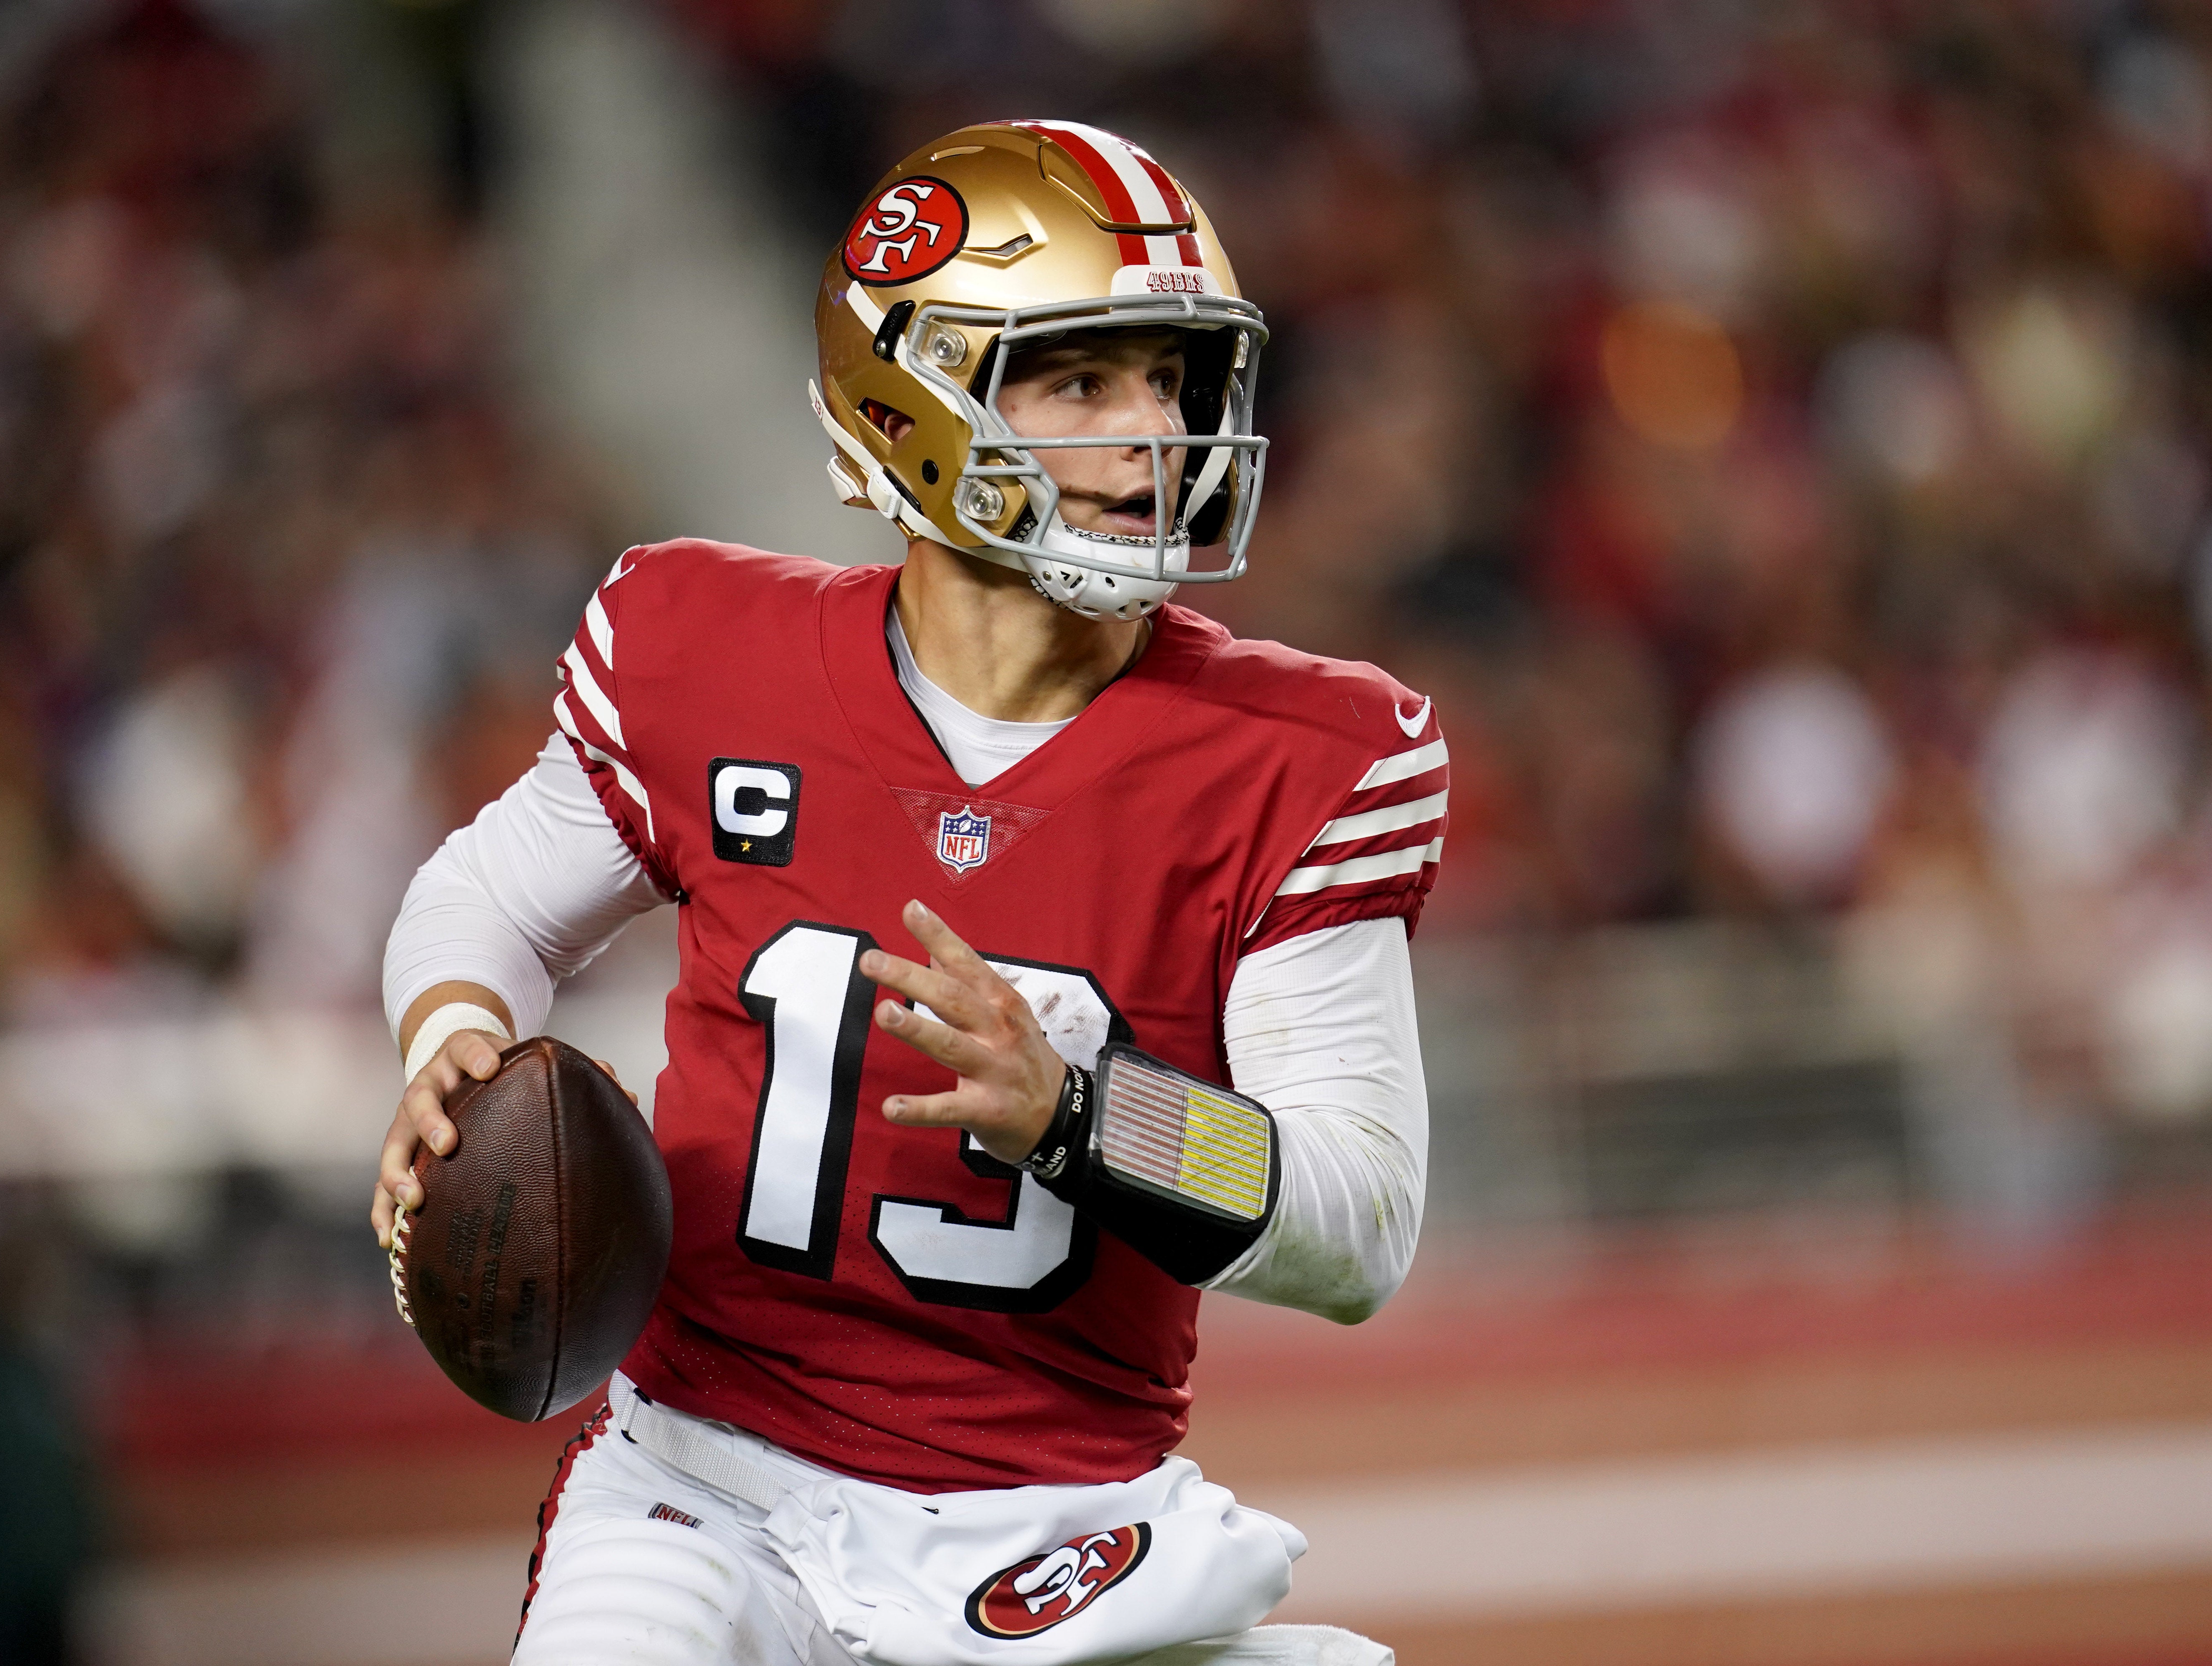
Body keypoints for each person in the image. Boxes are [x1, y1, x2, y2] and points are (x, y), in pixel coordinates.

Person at [374, 120, 1443, 1666]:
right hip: (706, 1497)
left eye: (1175, 378)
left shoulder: (1304, 758)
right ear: (917, 395)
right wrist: (452, 1040)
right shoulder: (699, 645)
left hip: (1068, 1541)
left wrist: (1086, 1112)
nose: (1154, 431)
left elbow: (1363, 1221)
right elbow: (486, 901)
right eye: (1082, 378)